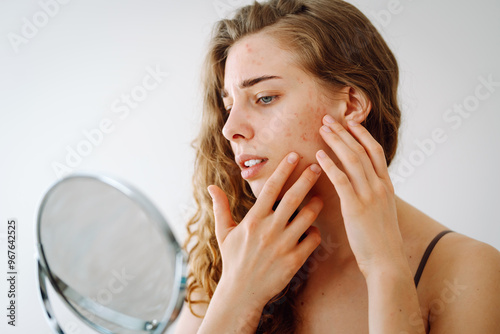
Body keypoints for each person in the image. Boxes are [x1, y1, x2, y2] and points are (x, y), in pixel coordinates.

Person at [174, 0, 500, 333]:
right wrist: (236, 297)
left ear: (351, 104)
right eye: (229, 106)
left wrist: (385, 269)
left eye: (265, 97)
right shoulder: (231, 254)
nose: (231, 129)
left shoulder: (467, 271)